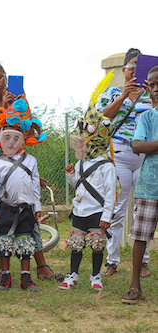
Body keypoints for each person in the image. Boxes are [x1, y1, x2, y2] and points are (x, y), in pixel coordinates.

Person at [0, 60, 62, 282]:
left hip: (21, 161)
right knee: (2, 216)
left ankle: (40, 265)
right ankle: (4, 269)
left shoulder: (20, 99)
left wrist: (20, 103)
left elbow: (29, 127)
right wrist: (2, 109)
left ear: (6, 77)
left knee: (27, 212)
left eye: (0, 76)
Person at [96, 48, 153, 277]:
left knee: (144, 209)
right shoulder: (111, 92)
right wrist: (122, 96)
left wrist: (154, 95)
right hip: (119, 155)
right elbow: (105, 116)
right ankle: (112, 260)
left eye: (140, 68)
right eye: (132, 67)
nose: (135, 72)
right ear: (125, 70)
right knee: (117, 209)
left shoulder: (152, 95)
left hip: (145, 158)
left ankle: (144, 261)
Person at [0, 99, 45, 292]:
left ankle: (25, 277)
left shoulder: (31, 161)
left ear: (24, 138)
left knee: (25, 241)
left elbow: (35, 185)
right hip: (6, 207)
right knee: (3, 240)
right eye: (7, 137)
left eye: (16, 138)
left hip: (26, 208)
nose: (11, 142)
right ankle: (5, 277)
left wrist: (37, 208)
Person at [60, 99, 117, 291]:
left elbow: (110, 193)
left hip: (97, 212)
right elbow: (78, 185)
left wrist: (107, 216)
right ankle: (73, 274)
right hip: (79, 211)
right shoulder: (81, 163)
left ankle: (95, 275)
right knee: (76, 244)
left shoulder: (107, 166)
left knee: (97, 245)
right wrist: (70, 175)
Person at [121, 66, 158, 304]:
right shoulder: (146, 117)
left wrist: (151, 144)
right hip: (149, 186)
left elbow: (147, 145)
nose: (155, 88)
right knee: (141, 236)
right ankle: (135, 284)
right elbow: (137, 146)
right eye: (152, 85)